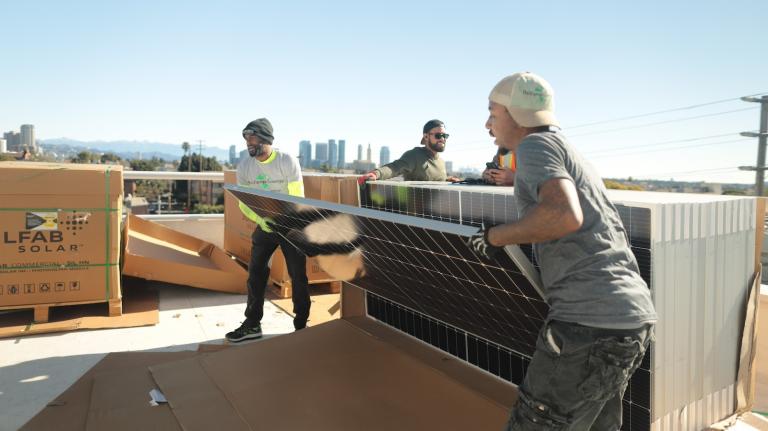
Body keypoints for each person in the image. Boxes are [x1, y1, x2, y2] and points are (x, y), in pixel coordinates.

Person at [467, 72, 657, 430]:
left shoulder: (535, 146)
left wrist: (494, 237)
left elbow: (563, 214)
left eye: (493, 113)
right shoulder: (566, 150)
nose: (488, 124)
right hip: (627, 319)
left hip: (587, 325)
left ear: (518, 115)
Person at [226, 118, 310, 342]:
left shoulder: (286, 161)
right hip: (265, 224)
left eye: (251, 137)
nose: (247, 142)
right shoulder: (245, 166)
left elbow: (296, 198)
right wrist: (262, 220)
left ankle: (301, 325)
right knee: (256, 273)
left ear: (265, 138)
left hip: (291, 225)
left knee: (298, 276)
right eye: (245, 138)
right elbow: (245, 202)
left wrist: (283, 221)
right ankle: (252, 324)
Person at [358, 119, 460, 183]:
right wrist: (376, 174)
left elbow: (434, 180)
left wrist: (447, 180)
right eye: (438, 135)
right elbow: (395, 167)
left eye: (445, 136)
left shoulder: (441, 161)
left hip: (437, 213)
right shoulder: (415, 155)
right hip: (416, 213)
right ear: (426, 136)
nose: (442, 139)